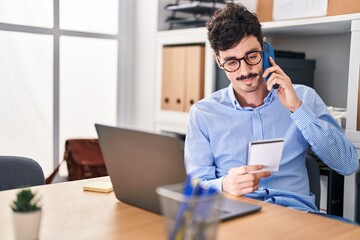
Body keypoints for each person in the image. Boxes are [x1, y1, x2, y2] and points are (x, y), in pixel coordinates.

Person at [184, 3, 359, 214]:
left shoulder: (303, 97)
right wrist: (225, 184)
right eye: (231, 62)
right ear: (217, 59)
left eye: (252, 56)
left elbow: (347, 165)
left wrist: (297, 109)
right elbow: (195, 186)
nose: (245, 71)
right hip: (238, 217)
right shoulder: (203, 114)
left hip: (297, 218)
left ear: (264, 47)